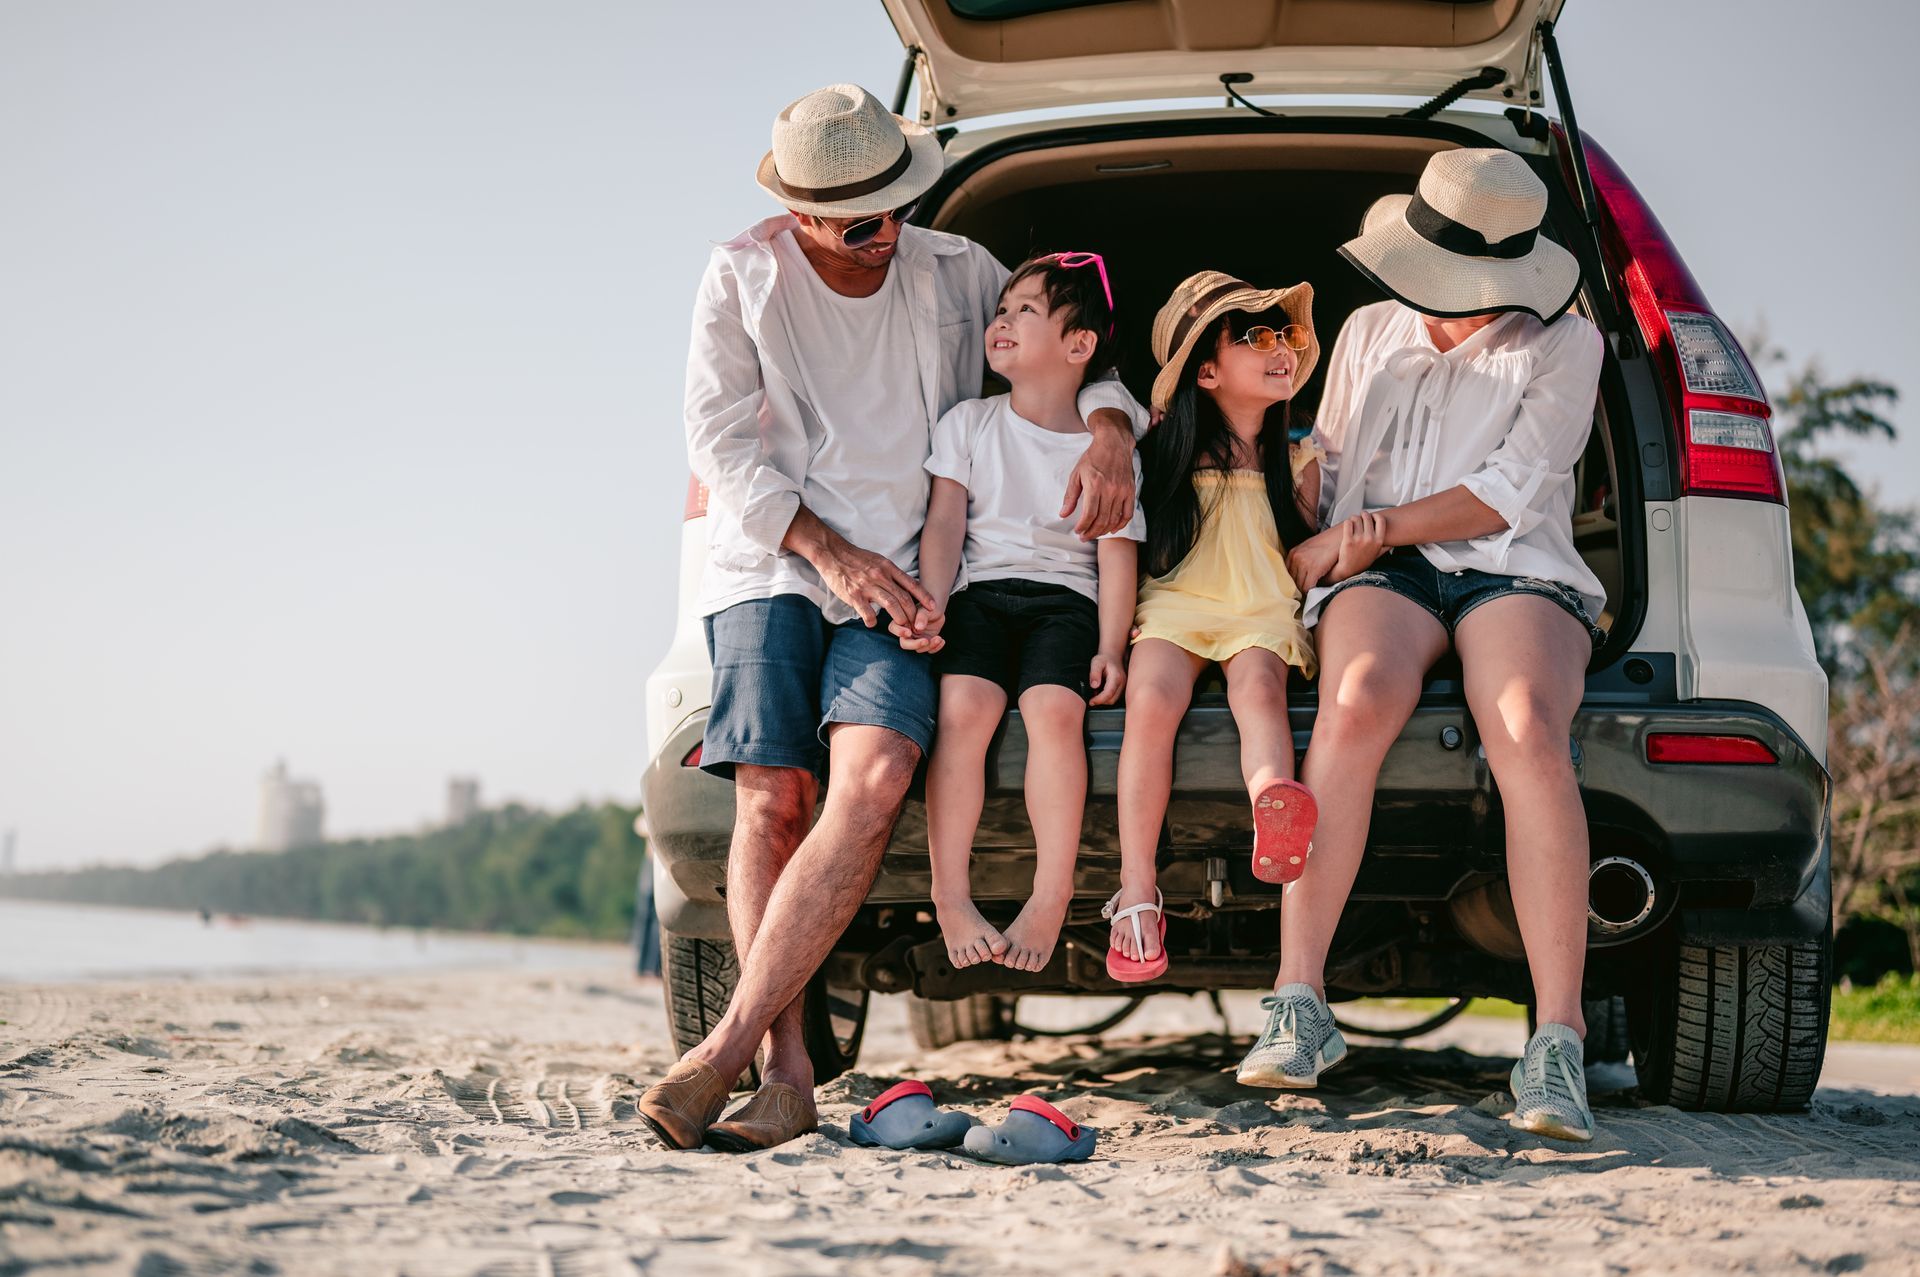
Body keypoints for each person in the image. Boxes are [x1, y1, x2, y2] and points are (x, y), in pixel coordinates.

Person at [636, 84, 1143, 1154]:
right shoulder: (741, 275)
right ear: (802, 214)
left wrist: (1111, 431)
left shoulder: (957, 269)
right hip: (775, 563)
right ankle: (784, 1069)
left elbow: (1067, 356)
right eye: (859, 221)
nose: (886, 234)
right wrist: (829, 550)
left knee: (870, 780)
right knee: (773, 795)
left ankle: (723, 1048)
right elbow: (718, 443)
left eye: (896, 208)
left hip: (912, 581)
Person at [1240, 148, 1609, 1144]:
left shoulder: (1565, 343)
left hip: (1512, 566)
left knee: (1528, 724)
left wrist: (1362, 533)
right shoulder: (1367, 328)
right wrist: (1276, 498)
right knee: (1356, 697)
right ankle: (1299, 1000)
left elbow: (1505, 495)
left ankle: (1557, 1040)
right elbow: (1334, 457)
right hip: (1381, 572)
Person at [906, 252, 1148, 974]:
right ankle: (950, 894)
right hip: (980, 593)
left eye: (1026, 311)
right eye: (1002, 309)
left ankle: (1051, 890)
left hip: (1065, 603)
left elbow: (1114, 553)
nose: (1002, 320)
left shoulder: (1106, 449)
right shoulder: (970, 423)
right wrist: (932, 602)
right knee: (964, 708)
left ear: (1080, 346)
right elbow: (946, 525)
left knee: (1054, 712)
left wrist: (1112, 645)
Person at [1103, 272, 1326, 984]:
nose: (1282, 346)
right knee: (1151, 700)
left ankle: (1274, 807)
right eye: (1256, 335)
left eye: (1286, 333)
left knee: (1259, 688)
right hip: (1176, 605)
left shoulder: (1302, 458)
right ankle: (1138, 887)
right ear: (1205, 370)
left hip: (1261, 607)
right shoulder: (1161, 452)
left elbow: (1307, 549)